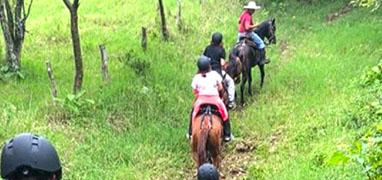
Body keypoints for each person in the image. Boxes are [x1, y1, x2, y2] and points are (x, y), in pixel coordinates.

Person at [187, 55, 232, 142]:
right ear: (209, 65)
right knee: (225, 114)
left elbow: (195, 91)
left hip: (201, 100)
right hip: (215, 99)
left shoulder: (196, 77)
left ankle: (190, 133)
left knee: (193, 113)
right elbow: (220, 88)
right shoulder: (215, 75)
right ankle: (227, 134)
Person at [203, 32, 236, 109]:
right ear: (220, 41)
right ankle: (231, 101)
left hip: (206, 71)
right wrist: (226, 64)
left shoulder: (207, 48)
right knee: (230, 81)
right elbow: (222, 63)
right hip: (217, 72)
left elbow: (204, 59)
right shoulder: (221, 50)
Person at [237, 1, 270, 65]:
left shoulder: (243, 13)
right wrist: (256, 25)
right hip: (247, 33)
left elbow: (239, 21)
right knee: (261, 43)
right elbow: (247, 27)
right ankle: (262, 59)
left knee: (237, 46)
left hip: (240, 34)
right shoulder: (248, 16)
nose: (254, 11)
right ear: (251, 9)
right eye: (253, 9)